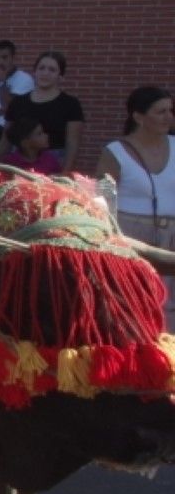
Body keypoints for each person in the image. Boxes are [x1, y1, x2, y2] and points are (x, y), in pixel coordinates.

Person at [96, 85, 175, 328]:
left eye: (170, 110)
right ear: (138, 117)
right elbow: (101, 199)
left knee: (169, 303)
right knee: (127, 299)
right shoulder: (116, 151)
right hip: (130, 233)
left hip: (171, 234)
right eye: (160, 111)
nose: (169, 117)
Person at [1, 49, 84, 171]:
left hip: (54, 163)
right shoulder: (18, 102)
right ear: (35, 72)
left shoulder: (70, 104)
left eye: (52, 70)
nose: (45, 73)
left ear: (60, 76)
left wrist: (66, 172)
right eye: (41, 68)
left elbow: (72, 143)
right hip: (20, 163)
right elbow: (6, 139)